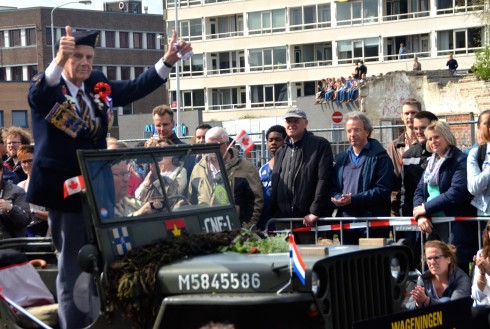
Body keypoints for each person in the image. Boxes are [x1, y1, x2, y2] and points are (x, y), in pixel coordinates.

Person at [27, 25, 191, 328]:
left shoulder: (97, 84)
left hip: (98, 186)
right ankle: (74, 323)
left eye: (89, 57)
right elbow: (37, 94)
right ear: (64, 58)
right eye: (78, 56)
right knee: (74, 264)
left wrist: (167, 61)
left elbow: (132, 88)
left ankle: (103, 318)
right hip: (64, 190)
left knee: (103, 259)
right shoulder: (49, 87)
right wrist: (59, 60)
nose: (86, 63)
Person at [413, 121, 478, 274]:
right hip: (432, 225)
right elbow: (419, 192)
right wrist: (420, 215)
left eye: (437, 137)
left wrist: (426, 207)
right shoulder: (431, 162)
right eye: (429, 139)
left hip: (454, 227)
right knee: (434, 272)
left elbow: (456, 193)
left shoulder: (460, 160)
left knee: (455, 272)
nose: (433, 142)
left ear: (447, 137)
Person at [270, 109, 334, 242]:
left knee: (309, 260)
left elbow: (324, 179)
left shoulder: (319, 145)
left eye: (296, 121)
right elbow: (276, 182)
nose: (291, 124)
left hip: (309, 220)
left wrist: (315, 211)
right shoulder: (282, 150)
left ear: (305, 123)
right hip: (284, 221)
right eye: (288, 121)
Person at [330, 112, 393, 243]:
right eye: (349, 131)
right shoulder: (341, 159)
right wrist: (337, 198)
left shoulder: (380, 157)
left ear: (367, 132)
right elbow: (333, 187)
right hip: (346, 224)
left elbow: (383, 190)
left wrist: (354, 199)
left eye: (357, 130)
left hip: (372, 224)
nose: (352, 134)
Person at [189, 127, 263, 228]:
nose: (213, 150)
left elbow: (256, 201)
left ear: (227, 144)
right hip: (205, 229)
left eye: (217, 145)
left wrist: (247, 228)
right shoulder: (198, 169)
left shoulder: (246, 168)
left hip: (236, 230)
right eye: (209, 146)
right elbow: (191, 199)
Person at [406, 240, 470, 309]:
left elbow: (454, 307)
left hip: (456, 318)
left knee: (445, 300)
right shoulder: (424, 279)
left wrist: (427, 301)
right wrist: (418, 304)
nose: (432, 262)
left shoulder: (461, 279)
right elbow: (408, 306)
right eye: (429, 258)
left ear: (448, 259)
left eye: (436, 258)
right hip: (430, 319)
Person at [387, 98, 421, 216]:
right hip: (399, 204)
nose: (410, 116)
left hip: (421, 202)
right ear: (402, 116)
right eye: (407, 113)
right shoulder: (394, 146)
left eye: (414, 113)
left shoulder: (427, 144)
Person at [16, 145, 49, 237]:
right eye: (23, 162)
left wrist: (33, 211)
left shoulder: (47, 184)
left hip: (43, 232)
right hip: (23, 232)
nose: (26, 165)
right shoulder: (19, 186)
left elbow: (55, 216)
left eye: (30, 161)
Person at [258, 125, 286, 231]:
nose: (273, 143)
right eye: (270, 140)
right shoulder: (262, 169)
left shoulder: (289, 166)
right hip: (265, 222)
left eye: (277, 139)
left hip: (283, 221)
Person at [0, 159, 31, 239]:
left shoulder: (17, 191)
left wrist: (10, 208)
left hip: (10, 244)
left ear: (1, 171)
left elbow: (25, 220)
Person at [467, 110, 490, 217]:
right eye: (487, 123)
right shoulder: (476, 153)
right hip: (485, 216)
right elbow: (473, 187)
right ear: (479, 127)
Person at [471, 220, 490, 328]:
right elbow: (477, 296)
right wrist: (482, 273)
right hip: (485, 305)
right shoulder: (481, 254)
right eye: (489, 228)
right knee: (476, 312)